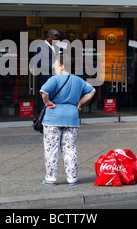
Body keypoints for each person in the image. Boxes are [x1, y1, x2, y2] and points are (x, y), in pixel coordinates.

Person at [39, 53, 96, 186]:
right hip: (71, 118)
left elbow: (44, 92)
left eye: (56, 63)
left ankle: (51, 178)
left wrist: (47, 102)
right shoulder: (78, 80)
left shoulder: (54, 79)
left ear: (62, 66)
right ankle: (72, 178)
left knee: (51, 149)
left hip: (53, 118)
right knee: (70, 148)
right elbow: (92, 91)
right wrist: (79, 103)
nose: (54, 66)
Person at [35, 29, 61, 109]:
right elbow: (38, 63)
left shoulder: (57, 47)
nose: (56, 41)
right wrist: (52, 65)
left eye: (57, 39)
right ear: (49, 37)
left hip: (55, 76)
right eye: (55, 39)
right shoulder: (39, 47)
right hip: (45, 76)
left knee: (54, 97)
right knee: (43, 97)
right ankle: (41, 117)